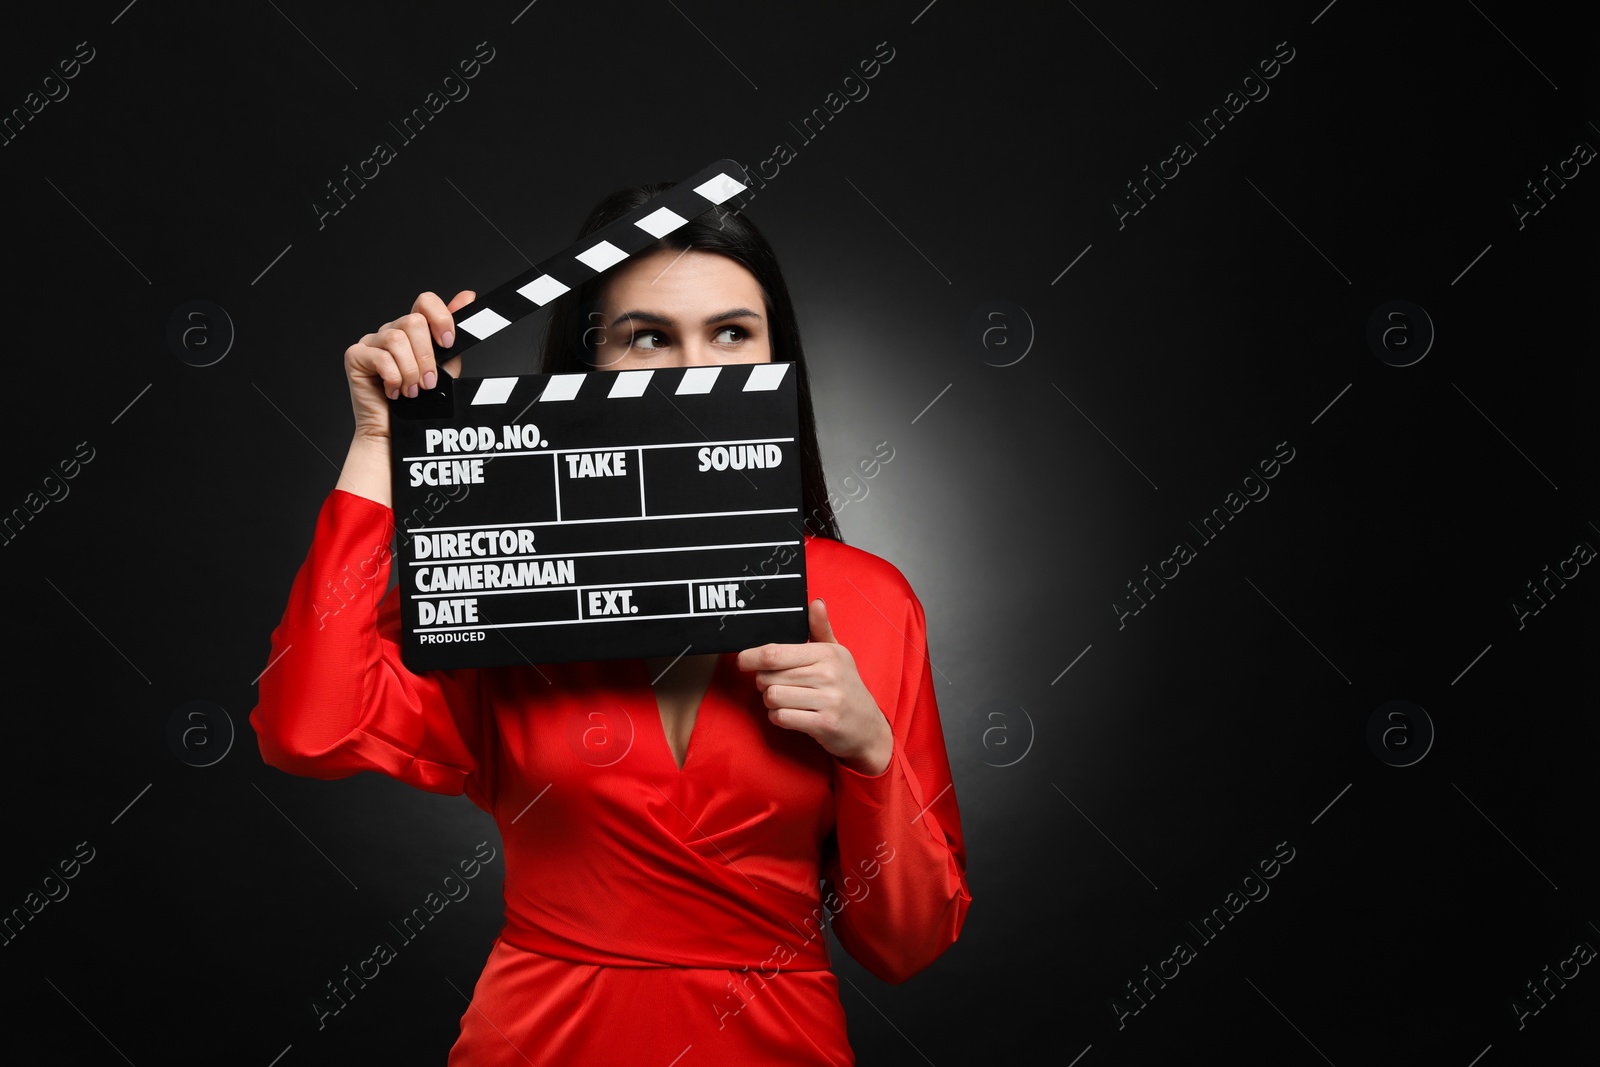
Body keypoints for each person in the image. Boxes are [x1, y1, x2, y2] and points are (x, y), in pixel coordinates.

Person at [250, 180, 971, 1065]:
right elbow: (304, 726)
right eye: (648, 337)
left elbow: (907, 943)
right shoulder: (502, 578)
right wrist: (376, 449)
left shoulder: (871, 602)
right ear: (588, 367)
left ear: (778, 359)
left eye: (732, 332)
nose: (694, 368)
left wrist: (871, 757)